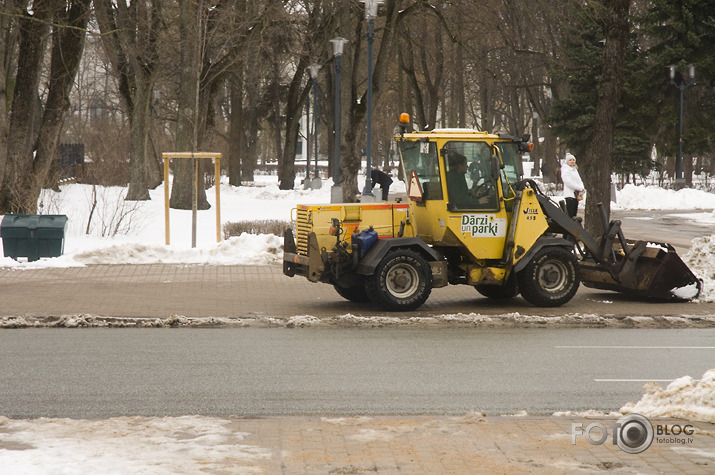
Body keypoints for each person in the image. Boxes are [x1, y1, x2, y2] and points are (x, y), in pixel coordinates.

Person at [561, 153, 585, 218]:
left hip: (575, 195)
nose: (572, 161)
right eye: (570, 160)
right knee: (570, 214)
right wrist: (579, 188)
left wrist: (582, 188)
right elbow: (568, 182)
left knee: (574, 214)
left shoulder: (574, 170)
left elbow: (579, 181)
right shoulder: (566, 170)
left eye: (573, 160)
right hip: (570, 195)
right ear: (567, 162)